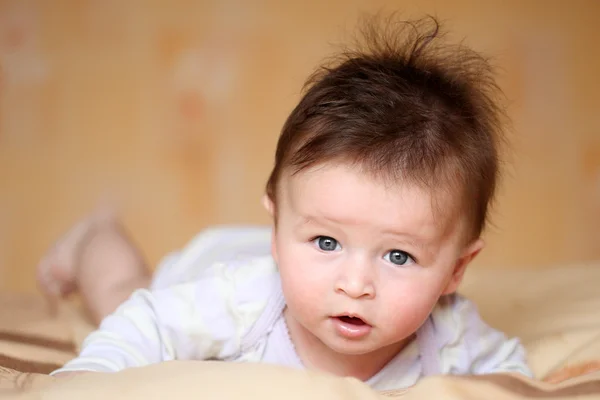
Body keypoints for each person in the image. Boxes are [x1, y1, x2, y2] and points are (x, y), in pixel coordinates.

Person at [39, 15, 532, 390]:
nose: (355, 284)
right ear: (277, 229)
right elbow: (145, 325)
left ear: (456, 270)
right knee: (121, 296)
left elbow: (510, 375)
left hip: (282, 255)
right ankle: (95, 237)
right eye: (326, 241)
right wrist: (87, 379)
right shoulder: (243, 301)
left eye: (398, 255)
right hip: (211, 265)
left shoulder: (450, 334)